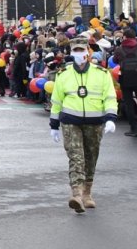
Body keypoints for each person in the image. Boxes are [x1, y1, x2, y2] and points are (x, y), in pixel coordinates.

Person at [49, 38, 117, 213]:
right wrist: (54, 124)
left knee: (91, 157)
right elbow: (56, 101)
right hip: (71, 121)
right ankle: (77, 194)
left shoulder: (102, 74)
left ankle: (87, 193)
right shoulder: (63, 74)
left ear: (88, 51)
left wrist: (110, 117)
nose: (79, 54)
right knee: (76, 156)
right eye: (75, 51)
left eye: (81, 50)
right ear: (71, 53)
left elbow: (109, 97)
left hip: (95, 122)